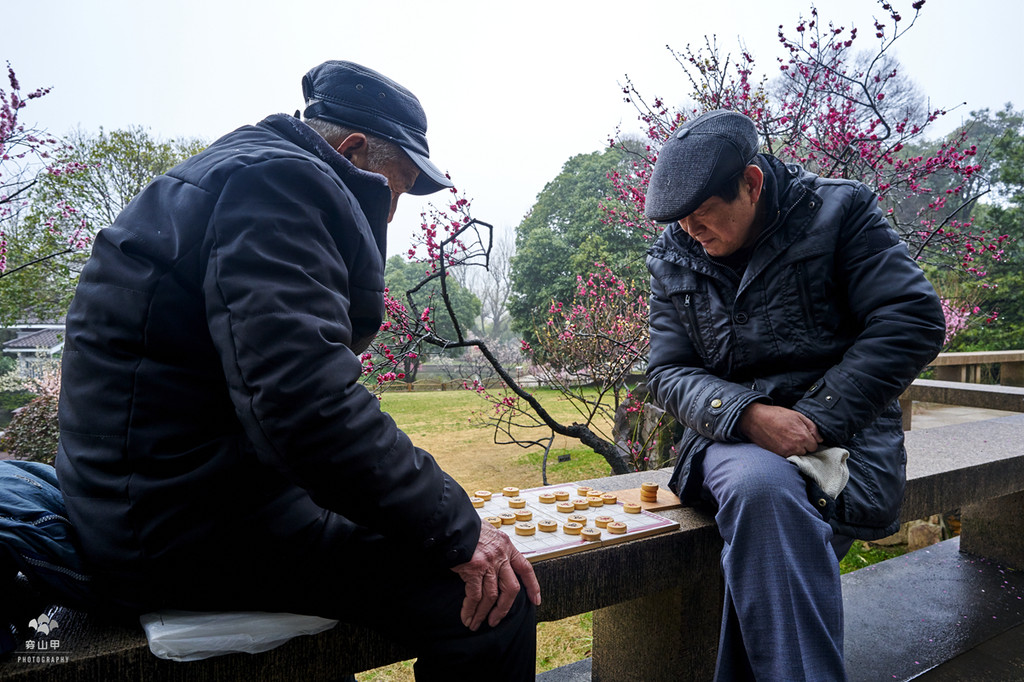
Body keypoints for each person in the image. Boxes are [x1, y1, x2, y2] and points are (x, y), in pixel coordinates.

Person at [56, 60, 540, 680]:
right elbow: (302, 402)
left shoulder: (235, 171)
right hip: (178, 531)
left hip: (150, 500)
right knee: (494, 604)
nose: (389, 217)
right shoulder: (280, 184)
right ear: (353, 150)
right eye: (392, 193)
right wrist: (455, 528)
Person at [643, 109, 945, 680]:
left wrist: (813, 420)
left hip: (843, 433)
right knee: (763, 488)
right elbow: (666, 370)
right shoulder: (671, 256)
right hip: (726, 438)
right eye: (680, 219)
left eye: (702, 214)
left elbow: (911, 317)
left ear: (752, 184)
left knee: (771, 559)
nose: (690, 231)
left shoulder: (840, 211)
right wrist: (749, 415)